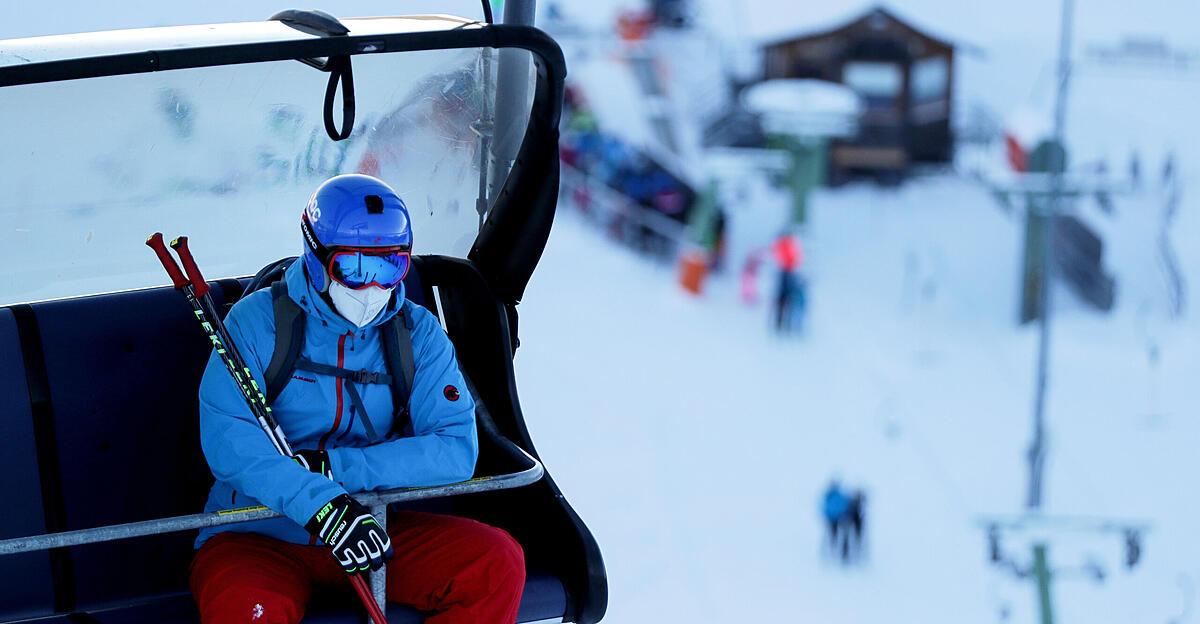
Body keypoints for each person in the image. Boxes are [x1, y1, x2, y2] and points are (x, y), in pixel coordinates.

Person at [189, 174, 525, 623]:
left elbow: (454, 450)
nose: (371, 290)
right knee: (249, 611)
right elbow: (232, 445)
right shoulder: (257, 323)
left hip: (368, 531)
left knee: (494, 563)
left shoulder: (415, 334)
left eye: (389, 269)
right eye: (355, 268)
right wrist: (320, 504)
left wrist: (336, 471)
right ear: (316, 256)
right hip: (256, 535)